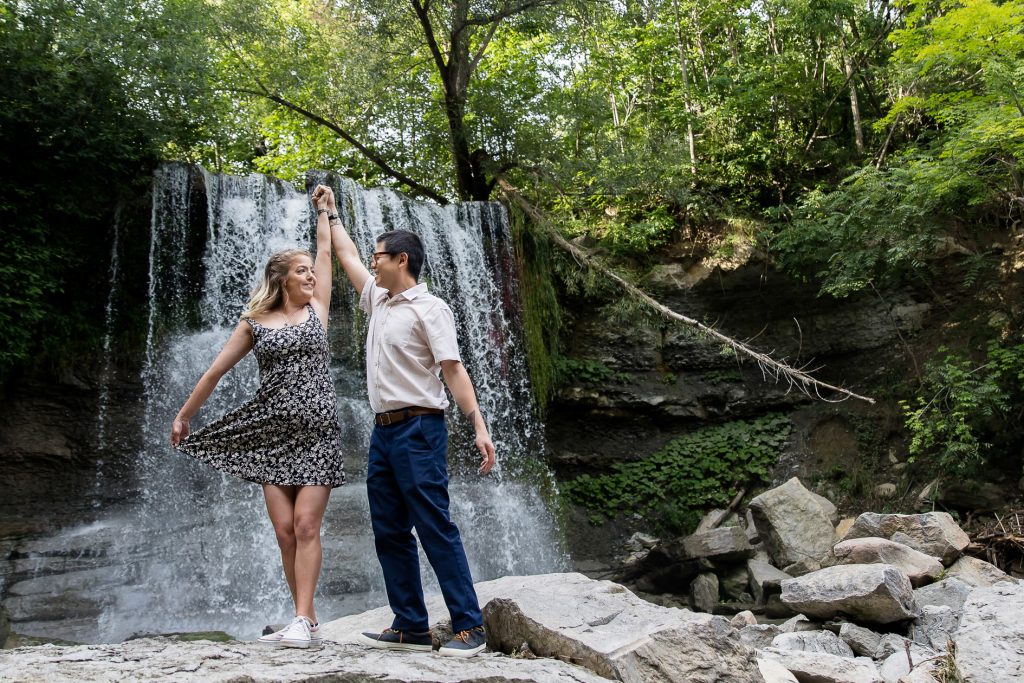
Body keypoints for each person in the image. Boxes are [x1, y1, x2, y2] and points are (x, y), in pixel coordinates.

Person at [315, 184, 497, 658]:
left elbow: (454, 370)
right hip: (384, 431)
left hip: (420, 428)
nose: (371, 262)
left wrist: (478, 425)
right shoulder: (378, 300)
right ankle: (411, 626)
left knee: (434, 525)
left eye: (379, 256)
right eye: (373, 256)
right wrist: (331, 215)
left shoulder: (431, 309)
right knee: (389, 529)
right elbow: (349, 254)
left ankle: (469, 626)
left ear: (400, 260)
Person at [170, 189, 345, 650]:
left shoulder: (318, 310)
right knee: (285, 533)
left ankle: (304, 621)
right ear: (282, 279)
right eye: (301, 270)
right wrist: (185, 415)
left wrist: (324, 212)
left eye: (311, 270)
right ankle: (301, 617)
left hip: (317, 433)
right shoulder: (254, 322)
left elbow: (326, 250)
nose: (310, 274)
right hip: (270, 436)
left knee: (307, 526)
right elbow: (214, 372)